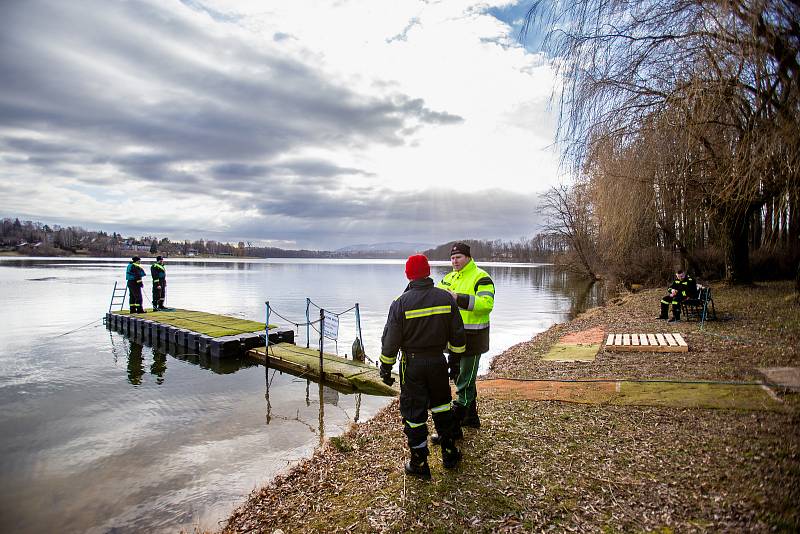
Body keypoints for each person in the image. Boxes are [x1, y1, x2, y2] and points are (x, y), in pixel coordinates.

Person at [379, 254, 467, 479]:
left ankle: (419, 462)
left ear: (408, 275)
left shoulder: (400, 303)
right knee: (442, 406)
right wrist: (455, 362)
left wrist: (385, 368)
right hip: (438, 361)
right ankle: (449, 453)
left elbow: (390, 341)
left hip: (413, 364)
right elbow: (458, 334)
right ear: (428, 272)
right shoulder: (446, 298)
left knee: (413, 413)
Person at [437, 242, 494, 429]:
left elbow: (486, 304)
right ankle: (471, 418)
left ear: (468, 257)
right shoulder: (448, 278)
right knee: (459, 375)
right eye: (452, 258)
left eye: (458, 257)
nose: (454, 261)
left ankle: (455, 421)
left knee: (465, 380)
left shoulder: (481, 277)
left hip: (473, 337)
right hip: (452, 338)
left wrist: (457, 298)